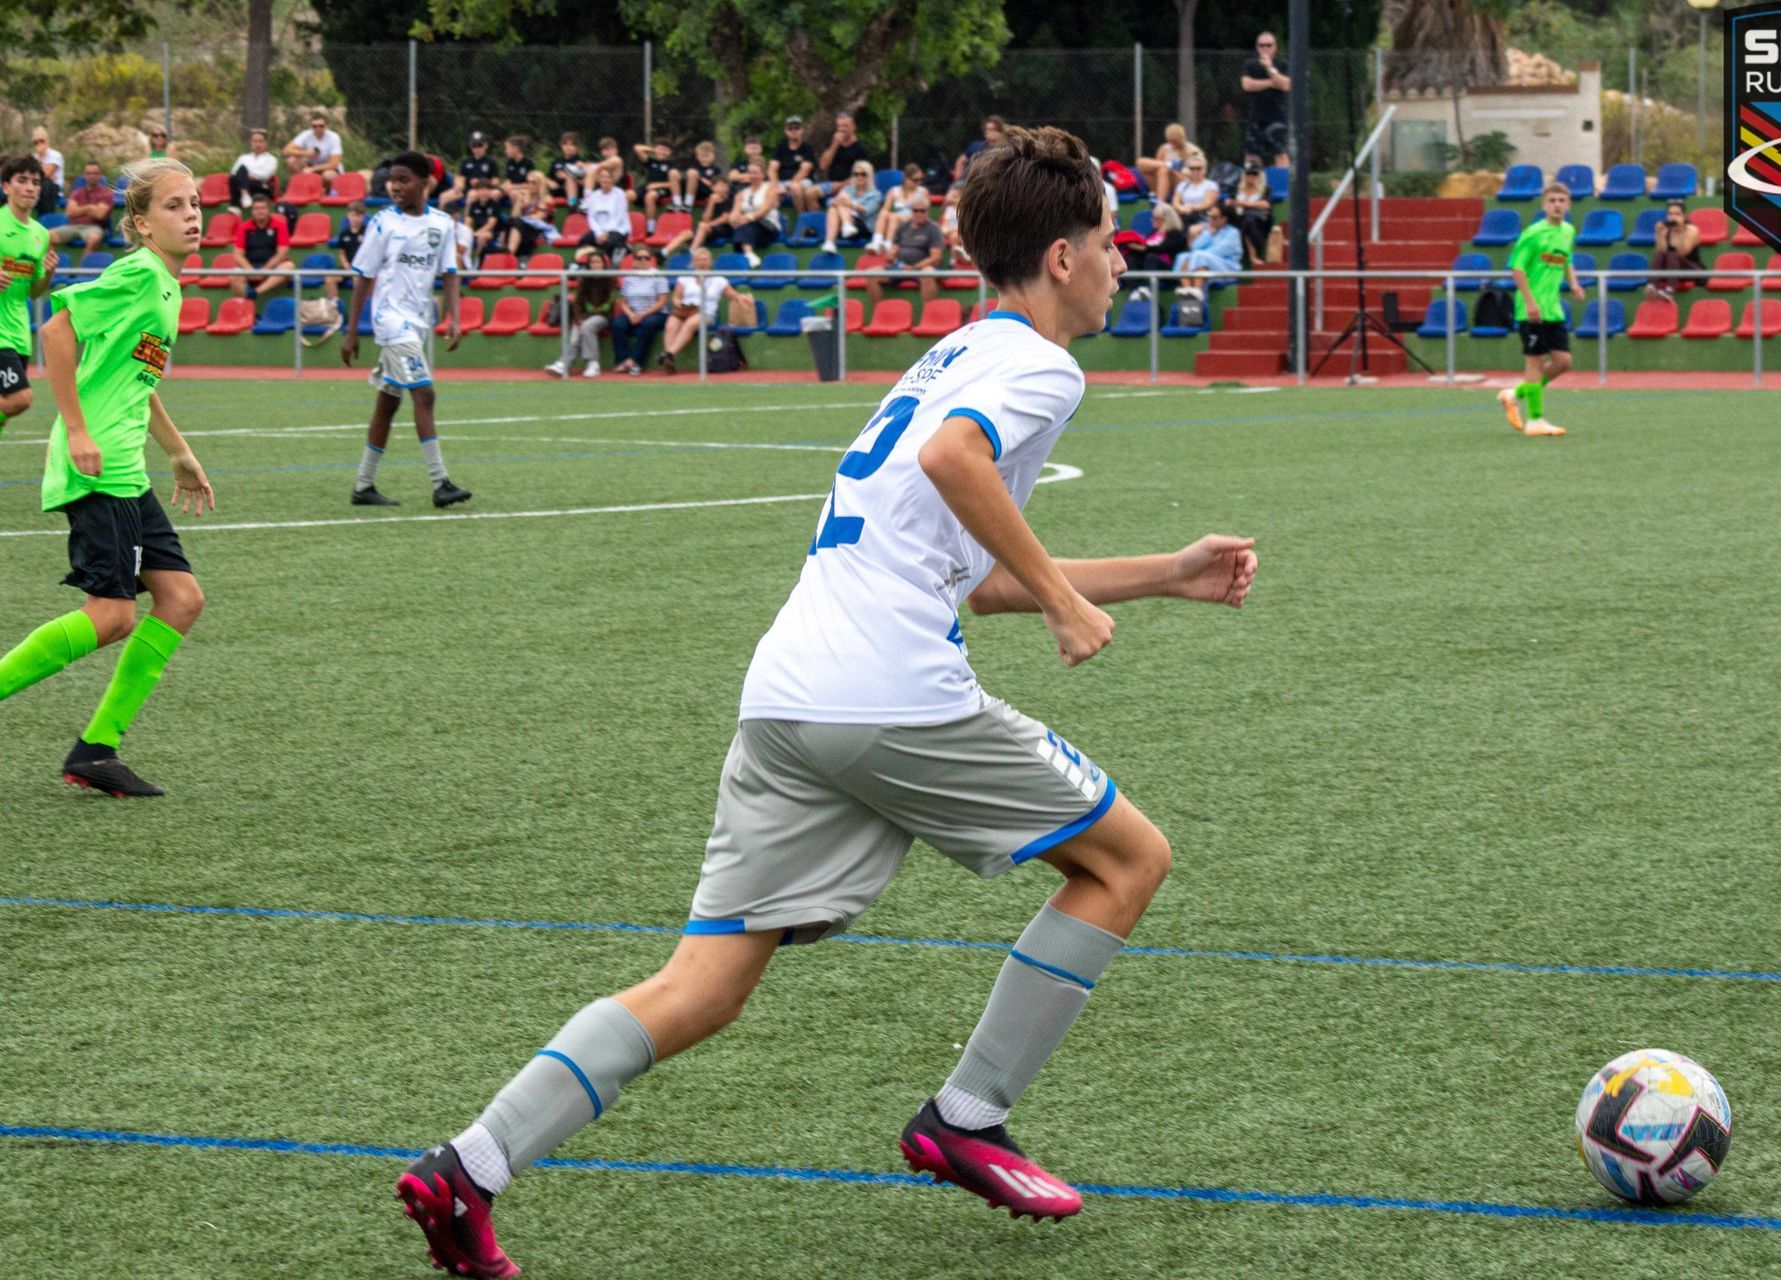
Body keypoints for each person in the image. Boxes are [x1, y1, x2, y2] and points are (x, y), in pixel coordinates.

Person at [392, 125, 1258, 1279]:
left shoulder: (950, 354)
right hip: (892, 693)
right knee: (1127, 860)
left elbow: (962, 567)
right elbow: (958, 465)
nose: (1119, 263)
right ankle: (968, 1113)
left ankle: (469, 1166)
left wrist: (1162, 573)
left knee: (701, 983)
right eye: (1108, 242)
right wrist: (1061, 601)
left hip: (791, 692)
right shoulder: (1042, 367)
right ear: (1060, 255)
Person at [0, 157, 215, 798]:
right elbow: (56, 329)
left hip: (127, 469)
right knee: (113, 615)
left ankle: (96, 749)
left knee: (180, 601)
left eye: (196, 202)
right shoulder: (138, 276)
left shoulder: (166, 287)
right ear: (143, 225)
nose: (192, 215)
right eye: (175, 206)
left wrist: (177, 450)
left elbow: (133, 380)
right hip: (98, 467)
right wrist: (80, 429)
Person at [340, 153, 472, 507]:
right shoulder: (383, 223)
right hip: (390, 321)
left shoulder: (443, 224)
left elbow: (449, 274)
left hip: (418, 322)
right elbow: (364, 276)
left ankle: (363, 486)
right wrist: (352, 330)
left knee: (388, 404)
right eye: (392, 179)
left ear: (425, 183)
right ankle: (441, 482)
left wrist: (455, 319)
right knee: (425, 395)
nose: (395, 186)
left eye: (403, 179)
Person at [1497, 181, 1582, 438]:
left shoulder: (1568, 231)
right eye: (1552, 201)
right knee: (1535, 362)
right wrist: (1530, 301)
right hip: (1530, 309)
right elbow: (1516, 267)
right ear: (1544, 205)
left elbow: (1567, 260)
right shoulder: (1533, 234)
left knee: (1563, 361)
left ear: (1568, 205)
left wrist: (1574, 284)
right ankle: (1535, 421)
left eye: (1561, 201)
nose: (1557, 205)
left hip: (1553, 309)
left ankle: (1515, 394)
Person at [0, 155, 59, 430]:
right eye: (22, 181)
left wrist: (47, 274)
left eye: (35, 182)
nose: (30, 187)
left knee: (5, 407)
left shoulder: (40, 234)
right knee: (20, 398)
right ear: (6, 187)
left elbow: (35, 293)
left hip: (19, 334)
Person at [657, 246, 739, 373]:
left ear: (711, 262)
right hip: (685, 309)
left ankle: (669, 353)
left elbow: (733, 296)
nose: (702, 263)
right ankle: (669, 361)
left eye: (705, 260)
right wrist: (678, 303)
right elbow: (676, 297)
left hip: (706, 312)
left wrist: (743, 299)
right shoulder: (684, 278)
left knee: (690, 323)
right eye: (699, 260)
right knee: (671, 324)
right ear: (694, 262)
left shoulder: (719, 280)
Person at [544, 247, 616, 379]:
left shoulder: (610, 280)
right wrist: (579, 320)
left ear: (604, 264)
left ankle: (592, 363)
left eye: (598, 262)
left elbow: (606, 306)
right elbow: (577, 304)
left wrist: (584, 320)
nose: (595, 265)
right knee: (578, 329)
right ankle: (564, 364)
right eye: (593, 262)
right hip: (585, 317)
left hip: (603, 317)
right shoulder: (584, 280)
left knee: (587, 326)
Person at [869, 191, 943, 304]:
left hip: (922, 267)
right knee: (872, 274)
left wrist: (914, 267)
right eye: (915, 210)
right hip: (901, 267)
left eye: (922, 211)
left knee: (928, 273)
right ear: (911, 211)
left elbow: (936, 258)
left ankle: (930, 315)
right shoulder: (902, 227)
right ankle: (880, 312)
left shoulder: (933, 229)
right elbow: (893, 250)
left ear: (928, 211)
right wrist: (891, 254)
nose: (919, 214)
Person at [610, 244, 670, 375]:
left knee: (648, 323)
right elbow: (623, 301)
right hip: (633, 312)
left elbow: (662, 302)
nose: (643, 261)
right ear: (634, 260)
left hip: (656, 313)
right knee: (617, 324)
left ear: (651, 260)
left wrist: (642, 314)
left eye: (646, 258)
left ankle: (635, 362)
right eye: (639, 258)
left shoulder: (658, 276)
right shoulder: (629, 278)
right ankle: (623, 361)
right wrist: (631, 314)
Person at [1241, 32, 1291, 168]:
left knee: (1280, 153)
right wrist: (1271, 82)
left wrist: (1270, 68)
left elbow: (1285, 84)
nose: (1265, 48)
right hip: (1255, 117)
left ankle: (1284, 187)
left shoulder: (1282, 64)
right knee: (1251, 155)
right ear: (1257, 47)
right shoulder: (1250, 65)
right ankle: (1253, 186)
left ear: (1275, 47)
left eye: (1268, 45)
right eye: (1261, 45)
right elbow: (1247, 85)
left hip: (1277, 117)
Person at [230, 197, 292, 299]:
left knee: (289, 266)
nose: (260, 211)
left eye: (263, 208)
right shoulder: (244, 227)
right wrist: (250, 270)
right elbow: (237, 254)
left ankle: (255, 293)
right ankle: (245, 307)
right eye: (256, 208)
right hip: (251, 267)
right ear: (252, 211)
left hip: (273, 268)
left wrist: (264, 270)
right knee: (233, 274)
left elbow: (283, 252)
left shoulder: (280, 226)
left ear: (269, 210)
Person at [1174, 203, 1243, 295]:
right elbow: (1194, 247)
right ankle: (1187, 290)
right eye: (1209, 216)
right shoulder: (1209, 231)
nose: (1210, 220)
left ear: (1224, 219)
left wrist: (1198, 254)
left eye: (1214, 217)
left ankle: (1197, 292)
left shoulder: (1233, 233)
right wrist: (1208, 234)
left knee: (1200, 256)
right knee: (1184, 256)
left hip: (1227, 267)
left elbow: (1219, 251)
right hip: (1209, 262)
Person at [1648, 200, 1703, 302]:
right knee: (1662, 254)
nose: (1673, 217)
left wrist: (1681, 231)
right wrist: (1659, 235)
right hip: (1671, 270)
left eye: (1677, 214)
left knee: (1672, 254)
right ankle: (1652, 286)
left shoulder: (1692, 230)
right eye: (1670, 214)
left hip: (1691, 270)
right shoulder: (1665, 230)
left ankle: (1670, 291)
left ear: (1684, 216)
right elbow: (1660, 253)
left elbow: (1683, 252)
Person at [54, 162, 114, 252]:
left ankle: (83, 265)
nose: (92, 176)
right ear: (85, 175)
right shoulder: (77, 192)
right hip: (73, 226)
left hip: (95, 227)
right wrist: (89, 208)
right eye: (89, 173)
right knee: (47, 236)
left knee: (94, 238)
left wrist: (78, 210)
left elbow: (100, 215)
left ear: (99, 175)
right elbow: (69, 213)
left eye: (95, 173)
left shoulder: (106, 193)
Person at [1136, 123, 1200, 204]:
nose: (1172, 144)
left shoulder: (1192, 151)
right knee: (1140, 162)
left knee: (1163, 169)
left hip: (1182, 184)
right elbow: (1156, 168)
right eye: (1170, 141)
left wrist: (1173, 172)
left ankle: (1160, 203)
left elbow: (1194, 176)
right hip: (1163, 181)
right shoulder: (1164, 148)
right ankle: (1170, 164)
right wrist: (1170, 166)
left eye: (1174, 141)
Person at [579, 165, 632, 259]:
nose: (605, 180)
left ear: (613, 180)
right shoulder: (594, 195)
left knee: (610, 243)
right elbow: (591, 218)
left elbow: (618, 218)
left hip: (617, 229)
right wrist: (598, 233)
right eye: (603, 177)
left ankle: (612, 265)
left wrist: (605, 233)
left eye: (608, 177)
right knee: (583, 241)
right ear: (598, 179)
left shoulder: (620, 194)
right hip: (599, 230)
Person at [824, 160, 882, 247]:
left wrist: (850, 204)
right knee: (833, 208)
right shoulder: (848, 189)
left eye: (863, 174)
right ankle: (829, 243)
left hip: (863, 226)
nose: (859, 177)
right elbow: (828, 202)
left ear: (869, 176)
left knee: (842, 200)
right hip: (844, 228)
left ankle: (845, 226)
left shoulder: (876, 194)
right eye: (856, 174)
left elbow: (866, 212)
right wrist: (836, 202)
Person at [869, 163, 925, 253]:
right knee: (884, 213)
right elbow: (885, 210)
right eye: (915, 180)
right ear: (906, 179)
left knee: (894, 217)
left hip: (912, 220)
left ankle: (888, 243)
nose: (918, 183)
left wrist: (902, 217)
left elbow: (924, 214)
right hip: (896, 220)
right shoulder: (894, 191)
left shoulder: (922, 192)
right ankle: (876, 242)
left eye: (920, 180)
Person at [768, 116, 819, 214]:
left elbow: (804, 171)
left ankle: (802, 218)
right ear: (786, 131)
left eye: (796, 128)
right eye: (790, 128)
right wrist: (774, 186)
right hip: (781, 182)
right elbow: (772, 168)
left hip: (802, 182)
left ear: (802, 130)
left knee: (795, 187)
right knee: (767, 191)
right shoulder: (781, 146)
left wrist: (786, 188)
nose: (793, 131)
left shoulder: (807, 148)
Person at [323, 200, 370, 303]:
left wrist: (358, 269)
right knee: (329, 278)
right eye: (353, 215)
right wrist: (347, 266)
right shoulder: (344, 233)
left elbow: (370, 254)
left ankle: (363, 310)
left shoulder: (368, 232)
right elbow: (342, 254)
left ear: (363, 217)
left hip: (362, 268)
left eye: (358, 216)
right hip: (348, 268)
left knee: (360, 280)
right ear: (348, 215)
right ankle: (335, 307)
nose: (355, 219)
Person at [815, 112, 869, 200]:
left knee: (839, 199)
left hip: (851, 186)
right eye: (839, 126)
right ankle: (814, 214)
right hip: (831, 184)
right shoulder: (832, 144)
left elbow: (862, 175)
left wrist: (841, 185)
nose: (841, 129)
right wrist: (835, 144)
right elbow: (823, 166)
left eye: (845, 126)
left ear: (854, 127)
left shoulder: (860, 148)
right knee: (810, 193)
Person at [1228, 160, 1272, 263]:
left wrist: (1243, 204)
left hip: (1259, 222)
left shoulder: (1265, 189)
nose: (1251, 176)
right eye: (1248, 173)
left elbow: (1265, 204)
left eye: (1254, 174)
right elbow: (1232, 202)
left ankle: (1250, 255)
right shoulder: (1237, 189)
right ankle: (1250, 256)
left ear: (1259, 175)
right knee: (1241, 220)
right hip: (1238, 219)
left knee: (1248, 221)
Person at [442, 132, 499, 210]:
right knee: (444, 196)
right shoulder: (466, 161)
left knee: (471, 195)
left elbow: (496, 181)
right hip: (465, 190)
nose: (477, 148)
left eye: (479, 145)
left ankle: (467, 220)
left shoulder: (491, 162)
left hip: (482, 190)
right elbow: (460, 177)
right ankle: (442, 220)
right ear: (470, 146)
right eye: (474, 146)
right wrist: (458, 184)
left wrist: (480, 183)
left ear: (486, 145)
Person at [285, 114, 344, 183]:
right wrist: (306, 153)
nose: (318, 129)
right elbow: (287, 151)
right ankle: (301, 184)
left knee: (328, 175)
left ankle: (326, 191)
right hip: (310, 165)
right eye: (314, 126)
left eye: (321, 126)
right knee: (291, 160)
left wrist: (313, 169)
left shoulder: (334, 137)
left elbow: (333, 164)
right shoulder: (306, 134)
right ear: (311, 127)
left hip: (328, 168)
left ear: (327, 126)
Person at [230, 128, 280, 209]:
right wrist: (247, 175)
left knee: (243, 170)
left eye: (260, 141)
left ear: (266, 143)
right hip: (245, 185)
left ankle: (238, 201)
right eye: (255, 141)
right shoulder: (243, 158)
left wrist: (246, 175)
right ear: (251, 143)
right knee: (237, 174)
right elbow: (234, 173)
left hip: (260, 186)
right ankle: (244, 194)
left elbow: (264, 175)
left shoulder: (271, 159)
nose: (257, 144)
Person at [952, 115, 1004, 185]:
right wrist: (958, 181)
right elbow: (960, 161)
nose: (988, 132)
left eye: (992, 129)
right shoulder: (976, 145)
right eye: (986, 129)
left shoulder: (1004, 149)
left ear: (999, 132)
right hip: (968, 182)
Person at [636, 141, 678, 223]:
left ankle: (650, 227)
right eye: (660, 149)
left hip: (661, 190)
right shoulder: (651, 161)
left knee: (650, 196)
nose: (662, 152)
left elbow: (675, 184)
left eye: (665, 150)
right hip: (647, 187)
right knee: (628, 194)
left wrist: (657, 185)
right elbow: (637, 148)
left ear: (670, 152)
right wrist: (654, 150)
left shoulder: (671, 164)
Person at [1170, 155, 1218, 227]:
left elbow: (1209, 203)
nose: (1195, 171)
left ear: (1205, 170)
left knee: (1193, 230)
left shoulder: (1211, 185)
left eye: (1198, 168)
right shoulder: (1182, 185)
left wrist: (1193, 208)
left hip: (1202, 217)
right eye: (1192, 168)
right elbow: (1175, 202)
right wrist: (1181, 208)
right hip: (1184, 214)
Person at [682, 140, 724, 218]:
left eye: (707, 156)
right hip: (693, 190)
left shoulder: (716, 169)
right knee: (692, 173)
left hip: (706, 191)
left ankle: (688, 204)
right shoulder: (694, 167)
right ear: (698, 157)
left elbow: (715, 183)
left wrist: (705, 181)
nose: (705, 158)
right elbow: (690, 175)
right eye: (702, 156)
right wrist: (701, 179)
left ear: (713, 156)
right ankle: (688, 204)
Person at [548, 132, 589, 208]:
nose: (568, 147)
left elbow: (585, 183)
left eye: (571, 145)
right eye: (565, 144)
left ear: (577, 147)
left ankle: (572, 206)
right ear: (561, 146)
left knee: (569, 178)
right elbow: (548, 177)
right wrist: (550, 182)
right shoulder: (556, 161)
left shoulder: (580, 162)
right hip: (556, 191)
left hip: (574, 193)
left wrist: (566, 177)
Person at [31, 128, 65, 215]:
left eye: (41, 141)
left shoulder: (56, 155)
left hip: (53, 188)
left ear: (47, 141)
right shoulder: (33, 157)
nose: (39, 144)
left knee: (46, 184)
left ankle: (46, 216)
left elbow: (46, 174)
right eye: (36, 142)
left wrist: (41, 158)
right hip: (37, 185)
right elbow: (32, 175)